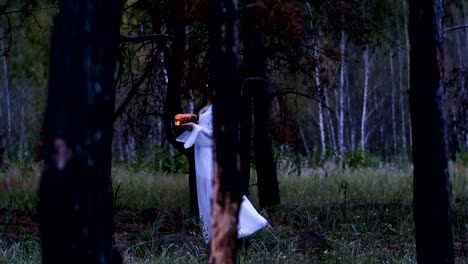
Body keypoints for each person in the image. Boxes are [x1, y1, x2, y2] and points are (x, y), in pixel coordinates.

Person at [176, 102, 268, 244]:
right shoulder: (206, 108)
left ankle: (239, 231)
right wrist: (193, 127)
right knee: (208, 196)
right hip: (203, 156)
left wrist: (197, 130)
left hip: (214, 156)